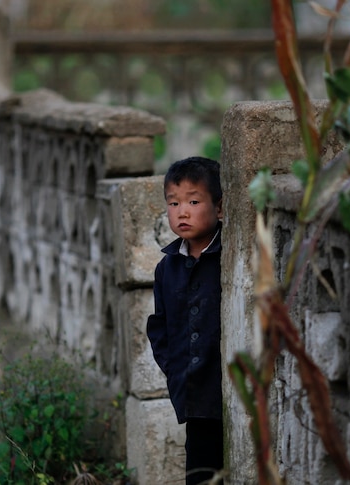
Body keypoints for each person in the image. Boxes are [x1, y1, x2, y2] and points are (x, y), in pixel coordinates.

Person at [146, 156, 224, 485]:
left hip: (229, 390)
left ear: (219, 208)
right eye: (174, 203)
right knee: (202, 474)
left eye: (194, 201)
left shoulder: (232, 256)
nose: (183, 211)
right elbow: (159, 326)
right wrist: (176, 369)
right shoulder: (167, 267)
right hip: (194, 394)